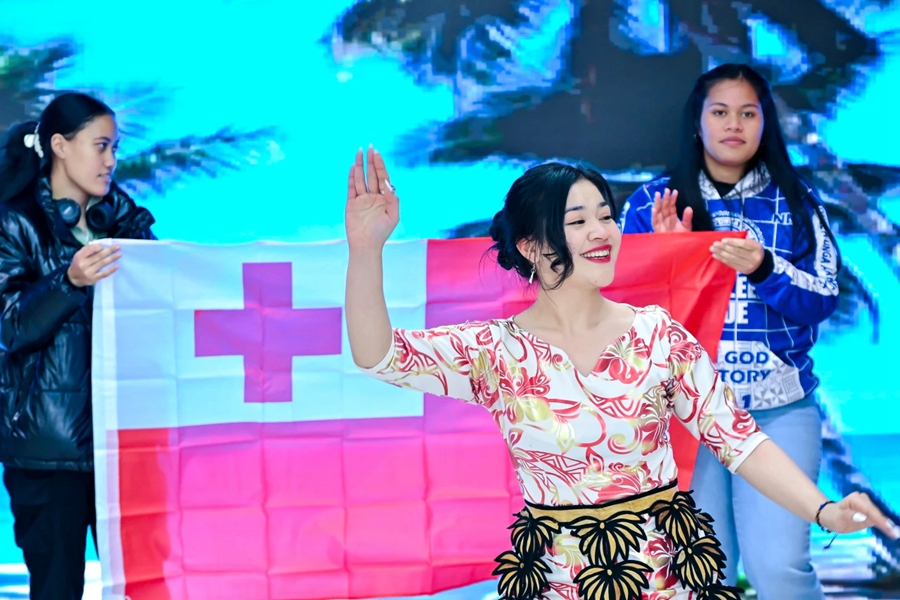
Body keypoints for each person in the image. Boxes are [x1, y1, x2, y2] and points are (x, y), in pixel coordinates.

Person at [344, 146, 898, 599]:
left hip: (666, 579)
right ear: (532, 246)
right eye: (578, 221)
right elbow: (379, 356)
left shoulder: (658, 335)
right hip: (556, 582)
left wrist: (824, 510)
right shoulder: (496, 351)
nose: (602, 231)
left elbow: (739, 441)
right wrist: (366, 251)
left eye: (606, 216)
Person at [618, 63, 845, 598]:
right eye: (720, 111)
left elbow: (822, 299)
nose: (734, 124)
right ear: (697, 122)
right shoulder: (650, 203)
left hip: (778, 412)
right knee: (700, 576)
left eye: (748, 113)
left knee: (780, 568)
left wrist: (764, 267)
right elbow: (617, 315)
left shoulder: (798, 202)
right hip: (684, 419)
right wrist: (666, 259)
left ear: (765, 123)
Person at [0, 93, 155, 599]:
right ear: (60, 146)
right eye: (100, 146)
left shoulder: (129, 227)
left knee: (144, 587)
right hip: (47, 454)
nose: (111, 161)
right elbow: (9, 326)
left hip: (126, 447)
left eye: (115, 148)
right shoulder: (14, 224)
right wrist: (66, 282)